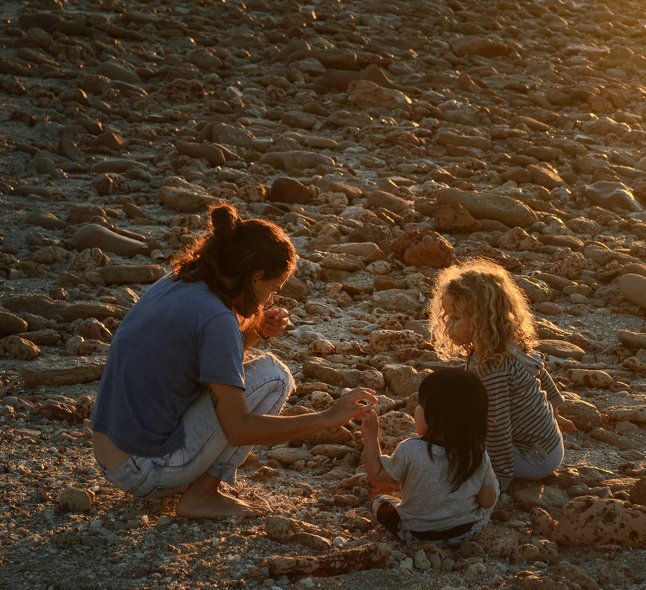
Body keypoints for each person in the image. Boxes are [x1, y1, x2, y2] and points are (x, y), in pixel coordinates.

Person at [90, 204, 376, 519]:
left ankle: (194, 487)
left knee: (254, 376)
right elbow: (238, 427)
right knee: (274, 376)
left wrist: (255, 331)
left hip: (110, 452)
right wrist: (326, 417)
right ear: (256, 277)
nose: (271, 299)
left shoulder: (179, 280)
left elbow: (209, 371)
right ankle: (201, 496)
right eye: (273, 288)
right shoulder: (216, 318)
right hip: (144, 469)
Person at [427, 258, 573, 492]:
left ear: (480, 322)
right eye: (447, 316)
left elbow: (498, 428)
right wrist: (555, 409)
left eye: (455, 318)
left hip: (534, 457)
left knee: (456, 444)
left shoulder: (492, 369)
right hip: (547, 444)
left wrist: (498, 478)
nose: (447, 325)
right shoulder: (506, 345)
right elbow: (539, 370)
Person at [361, 368, 498, 546]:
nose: (416, 409)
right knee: (491, 486)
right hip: (466, 533)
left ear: (435, 415)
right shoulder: (476, 452)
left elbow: (376, 478)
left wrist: (370, 438)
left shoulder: (409, 449)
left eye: (421, 404)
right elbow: (487, 501)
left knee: (379, 502)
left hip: (417, 535)